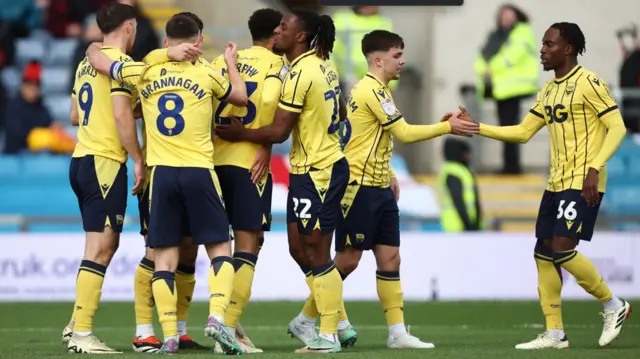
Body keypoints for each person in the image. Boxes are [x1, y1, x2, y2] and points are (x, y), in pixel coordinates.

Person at [459, 22, 631, 349]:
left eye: (549, 44)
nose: (543, 50)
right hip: (555, 183)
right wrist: (478, 127)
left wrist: (595, 167)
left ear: (568, 48)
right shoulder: (549, 90)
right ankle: (554, 334)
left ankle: (613, 304)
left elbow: (617, 127)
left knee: (562, 249)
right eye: (543, 44)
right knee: (543, 253)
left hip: (583, 180)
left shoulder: (589, 82)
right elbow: (523, 132)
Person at [87, 13, 248, 354]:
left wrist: (160, 57)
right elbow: (239, 97)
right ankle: (217, 318)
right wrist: (231, 63)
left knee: (163, 259)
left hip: (160, 174)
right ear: (199, 42)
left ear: (164, 43)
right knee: (220, 248)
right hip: (199, 170)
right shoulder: (206, 72)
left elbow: (96, 56)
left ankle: (170, 334)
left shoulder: (146, 70)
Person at [333, 29, 478, 350]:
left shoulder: (381, 90)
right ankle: (308, 319)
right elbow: (404, 132)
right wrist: (447, 127)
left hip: (379, 185)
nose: (403, 62)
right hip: (358, 187)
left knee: (391, 259)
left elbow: (376, 138)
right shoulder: (371, 89)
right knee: (347, 261)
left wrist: (388, 174)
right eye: (397, 56)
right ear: (379, 59)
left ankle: (397, 333)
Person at [215, 9, 348, 354]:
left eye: (285, 27)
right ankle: (328, 322)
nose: (279, 31)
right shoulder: (323, 65)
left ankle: (331, 332)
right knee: (298, 247)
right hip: (307, 169)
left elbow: (279, 129)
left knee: (317, 251)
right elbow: (341, 113)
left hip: (320, 170)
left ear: (300, 36)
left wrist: (244, 133)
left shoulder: (300, 73)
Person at [62, 3, 143, 354]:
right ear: (128, 27)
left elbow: (74, 114)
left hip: (81, 159)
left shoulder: (86, 62)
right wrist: (138, 159)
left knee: (96, 247)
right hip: (105, 163)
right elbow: (123, 117)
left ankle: (75, 324)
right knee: (102, 249)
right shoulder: (119, 65)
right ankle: (82, 333)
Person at [130, 11, 209, 353]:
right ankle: (144, 330)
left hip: (182, 169)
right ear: (200, 41)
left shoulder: (153, 67)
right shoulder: (158, 68)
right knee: (156, 252)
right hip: (160, 169)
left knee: (188, 251)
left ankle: (179, 330)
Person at [209, 8, 285, 354]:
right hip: (249, 163)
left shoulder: (226, 60)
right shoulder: (277, 66)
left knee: (219, 248)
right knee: (247, 246)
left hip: (211, 162)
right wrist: (265, 144)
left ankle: (222, 326)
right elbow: (271, 102)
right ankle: (227, 329)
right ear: (276, 34)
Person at [474, 4, 538, 174]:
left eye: (510, 15)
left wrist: (490, 68)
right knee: (504, 128)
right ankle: (508, 166)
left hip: (514, 89)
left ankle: (512, 167)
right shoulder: (495, 36)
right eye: (504, 16)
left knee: (511, 128)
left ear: (517, 16)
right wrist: (483, 69)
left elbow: (512, 56)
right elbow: (481, 58)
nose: (507, 19)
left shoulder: (523, 32)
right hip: (500, 90)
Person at [438, 138, 482, 232]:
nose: (467, 157)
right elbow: (458, 200)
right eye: (465, 153)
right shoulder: (452, 171)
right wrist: (468, 225)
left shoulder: (465, 171)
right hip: (456, 226)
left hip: (469, 224)